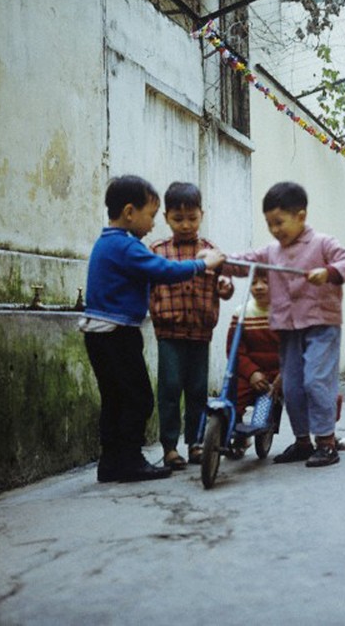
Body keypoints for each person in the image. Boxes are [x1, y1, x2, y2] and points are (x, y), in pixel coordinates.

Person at [80, 175, 224, 483]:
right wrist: (203, 265)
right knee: (139, 398)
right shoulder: (126, 246)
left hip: (100, 333)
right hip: (116, 334)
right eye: (150, 215)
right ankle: (130, 459)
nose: (152, 224)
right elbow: (165, 270)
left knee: (115, 400)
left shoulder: (110, 243)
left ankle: (111, 462)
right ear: (130, 212)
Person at [230, 182, 345, 467]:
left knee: (316, 380)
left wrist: (328, 273)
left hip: (322, 325)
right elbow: (245, 262)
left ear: (300, 216)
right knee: (291, 386)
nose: (275, 230)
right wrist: (218, 262)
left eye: (279, 222)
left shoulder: (323, 243)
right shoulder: (270, 252)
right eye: (269, 224)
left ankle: (326, 442)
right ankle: (302, 441)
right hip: (287, 329)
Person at [149, 182, 234, 470]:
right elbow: (146, 286)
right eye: (177, 219)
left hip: (200, 333)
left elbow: (226, 286)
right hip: (169, 334)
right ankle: (170, 447)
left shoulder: (212, 252)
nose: (185, 225)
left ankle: (196, 443)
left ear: (202, 215)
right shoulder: (157, 252)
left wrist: (224, 286)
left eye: (192, 218)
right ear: (166, 218)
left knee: (197, 390)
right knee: (170, 389)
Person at [225, 268, 281, 457]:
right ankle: (236, 434)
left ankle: (317, 438)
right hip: (252, 372)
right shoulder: (242, 313)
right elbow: (234, 351)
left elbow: (293, 349)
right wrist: (251, 373)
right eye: (254, 282)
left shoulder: (285, 312)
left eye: (265, 282)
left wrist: (284, 374)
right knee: (232, 394)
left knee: (304, 393)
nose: (259, 287)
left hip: (280, 371)